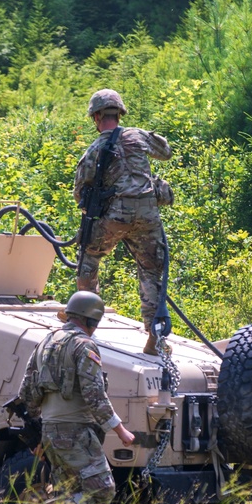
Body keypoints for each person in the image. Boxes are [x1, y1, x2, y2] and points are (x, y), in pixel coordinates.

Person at [16, 291, 135, 504]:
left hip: (50, 431)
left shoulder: (44, 343)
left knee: (68, 491)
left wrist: (40, 433)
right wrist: (119, 429)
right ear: (92, 321)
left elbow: (26, 392)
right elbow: (95, 394)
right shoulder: (84, 345)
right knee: (101, 490)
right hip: (75, 433)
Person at [74, 88, 174, 356]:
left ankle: (84, 325)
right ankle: (156, 340)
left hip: (115, 217)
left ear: (96, 117)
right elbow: (165, 152)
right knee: (152, 270)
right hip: (148, 216)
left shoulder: (95, 149)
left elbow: (79, 194)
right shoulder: (138, 136)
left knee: (89, 259)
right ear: (120, 113)